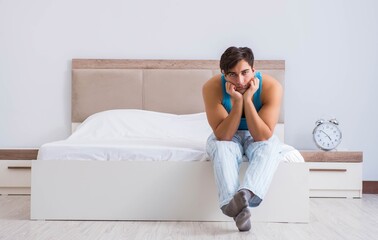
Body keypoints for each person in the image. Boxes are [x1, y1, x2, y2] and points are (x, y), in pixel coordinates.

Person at [202, 46, 283, 231]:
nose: (240, 81)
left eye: (245, 73)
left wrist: (248, 100)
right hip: (227, 134)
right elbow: (223, 135)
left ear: (254, 70)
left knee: (270, 148)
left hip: (258, 134)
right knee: (222, 149)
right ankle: (235, 204)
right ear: (223, 74)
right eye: (232, 75)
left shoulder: (272, 87)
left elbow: (262, 136)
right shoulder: (211, 88)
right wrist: (238, 102)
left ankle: (244, 195)